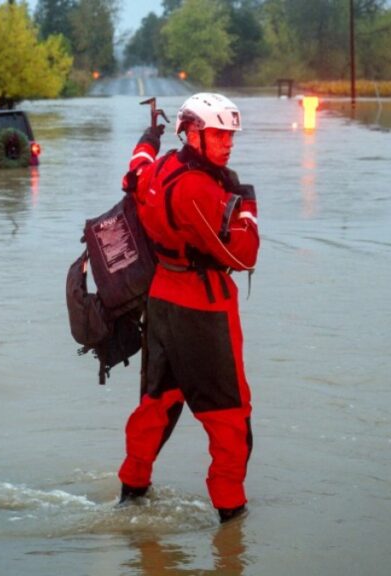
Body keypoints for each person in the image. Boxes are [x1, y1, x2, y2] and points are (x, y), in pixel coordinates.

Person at [117, 92, 259, 524]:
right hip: (203, 309)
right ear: (193, 134)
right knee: (230, 418)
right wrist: (247, 206)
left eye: (230, 134)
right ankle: (231, 520)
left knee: (157, 403)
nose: (228, 143)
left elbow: (134, 172)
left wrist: (147, 140)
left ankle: (132, 492)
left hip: (161, 301)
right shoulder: (199, 189)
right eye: (218, 134)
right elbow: (244, 255)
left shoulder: (159, 169)